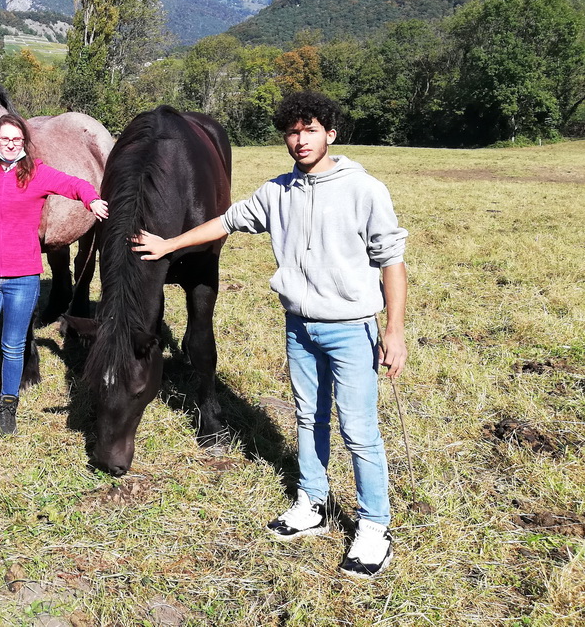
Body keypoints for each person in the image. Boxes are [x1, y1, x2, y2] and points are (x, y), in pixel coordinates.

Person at [132, 91, 408, 579]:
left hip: (351, 328)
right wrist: (169, 243)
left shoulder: (365, 190)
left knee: (359, 430)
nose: (301, 140)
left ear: (330, 134)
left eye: (311, 130)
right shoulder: (277, 192)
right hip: (299, 327)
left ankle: (373, 527)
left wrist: (395, 330)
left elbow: (392, 261)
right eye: (293, 132)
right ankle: (312, 502)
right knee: (308, 417)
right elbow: (224, 222)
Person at [0, 113, 109, 450]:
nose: (10, 144)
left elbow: (74, 184)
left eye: (16, 139)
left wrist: (91, 199)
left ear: (23, 142)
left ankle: (7, 406)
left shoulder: (39, 174)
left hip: (24, 276)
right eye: (4, 139)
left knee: (14, 347)